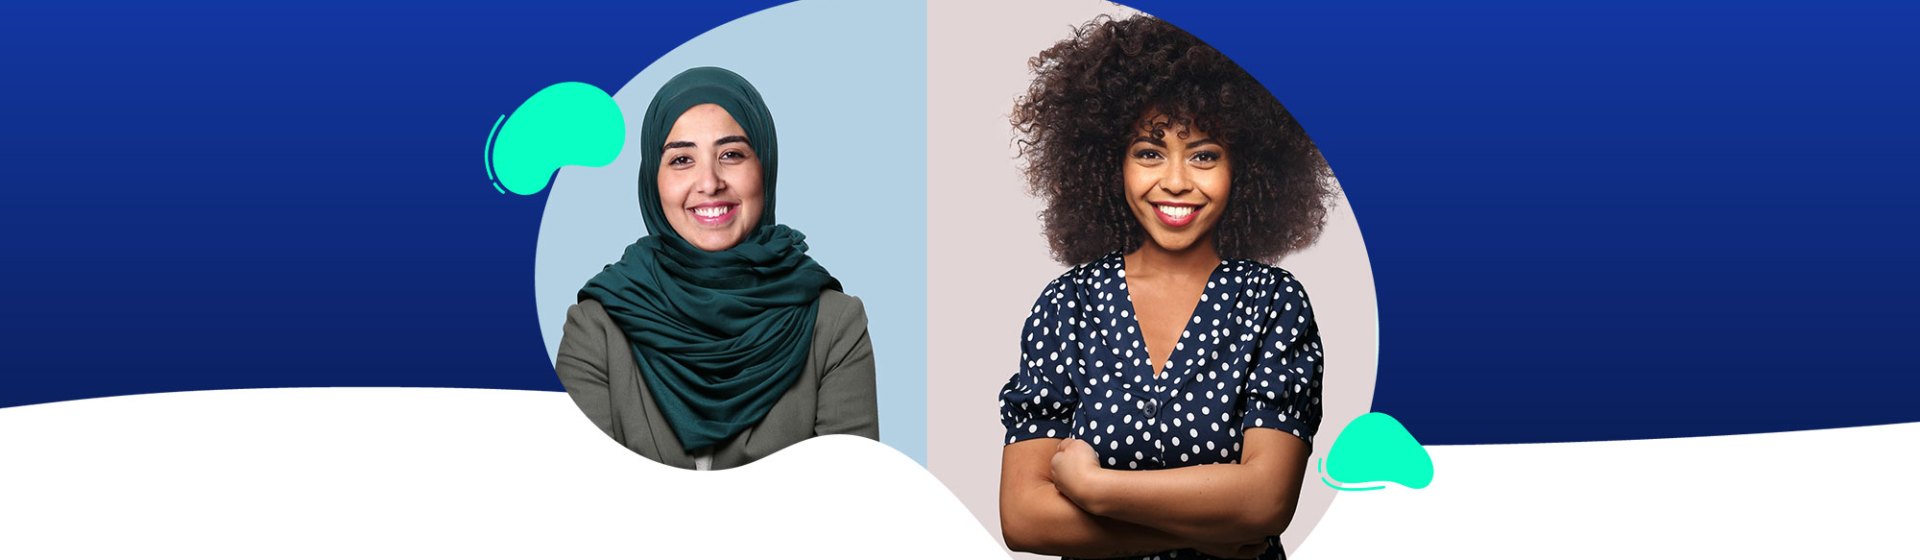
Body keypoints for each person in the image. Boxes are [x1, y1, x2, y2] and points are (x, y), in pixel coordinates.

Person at [997, 15, 1337, 560]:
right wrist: (1206, 530)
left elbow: (1266, 501)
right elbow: (1023, 519)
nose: (1176, 181)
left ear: (1245, 168)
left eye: (1204, 155)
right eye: (1149, 152)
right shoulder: (1068, 306)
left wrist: (1095, 488)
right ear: (1110, 164)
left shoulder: (1273, 303)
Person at [557, 66, 878, 471]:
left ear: (765, 166)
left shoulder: (833, 326)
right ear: (653, 180)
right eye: (681, 159)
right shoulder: (598, 328)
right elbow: (579, 496)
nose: (709, 182)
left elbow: (852, 498)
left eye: (731, 154)